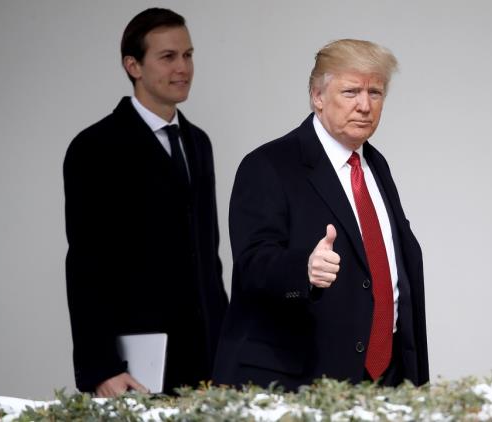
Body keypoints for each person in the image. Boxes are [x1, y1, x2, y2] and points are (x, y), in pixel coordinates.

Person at [213, 39, 428, 391]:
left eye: (375, 92)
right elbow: (252, 263)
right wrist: (304, 269)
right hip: (298, 380)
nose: (364, 105)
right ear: (317, 96)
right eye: (350, 91)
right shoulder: (268, 165)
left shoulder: (375, 165)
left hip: (385, 378)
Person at [64, 8, 228, 397]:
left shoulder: (198, 143)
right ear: (133, 65)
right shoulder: (95, 148)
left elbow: (208, 258)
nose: (183, 67)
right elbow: (86, 265)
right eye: (168, 57)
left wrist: (228, 351)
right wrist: (101, 367)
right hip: (136, 366)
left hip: (206, 361)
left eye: (188, 55)